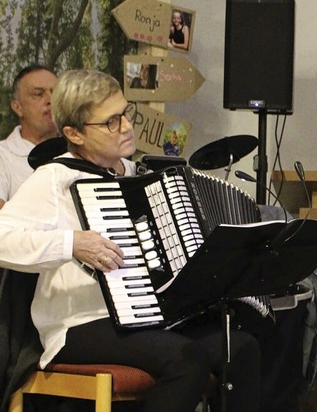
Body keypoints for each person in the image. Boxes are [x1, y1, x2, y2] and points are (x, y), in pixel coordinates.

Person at [0, 69, 261, 412]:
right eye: (110, 122)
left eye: (125, 114)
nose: (125, 126)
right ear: (73, 133)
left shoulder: (138, 175)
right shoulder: (54, 178)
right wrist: (71, 243)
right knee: (186, 359)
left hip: (148, 319)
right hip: (80, 325)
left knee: (241, 347)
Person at [0, 64, 58, 209]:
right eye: (38, 94)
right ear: (18, 107)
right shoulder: (3, 155)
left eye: (56, 93)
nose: (50, 100)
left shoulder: (81, 151)